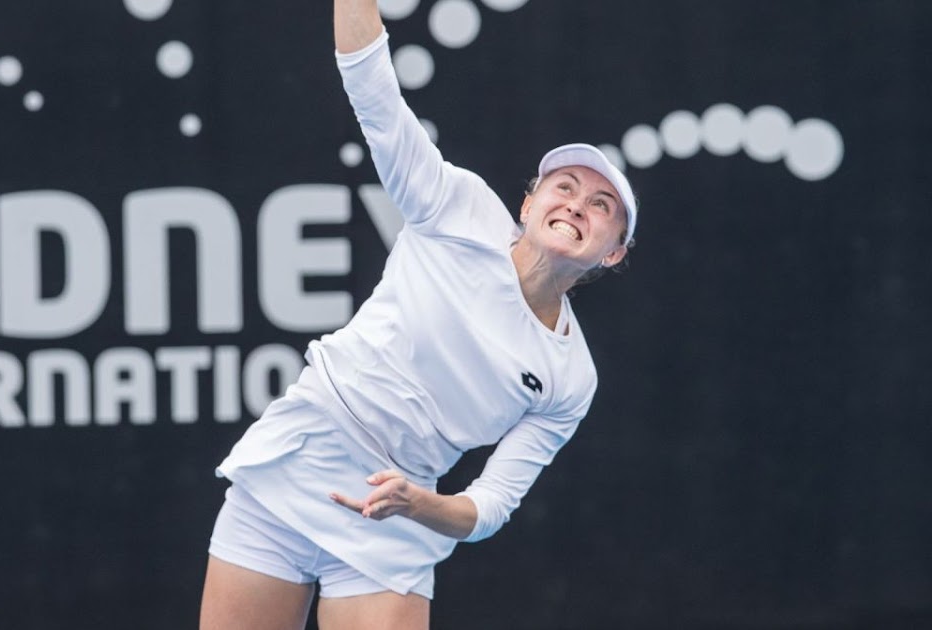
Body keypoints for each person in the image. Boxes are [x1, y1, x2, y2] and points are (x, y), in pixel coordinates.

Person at [199, 1, 638, 628]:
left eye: (600, 205)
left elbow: (488, 508)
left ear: (612, 251)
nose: (576, 204)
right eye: (563, 187)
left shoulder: (570, 379)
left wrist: (417, 503)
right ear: (528, 202)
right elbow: (375, 98)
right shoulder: (456, 207)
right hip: (296, 462)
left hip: (396, 512)